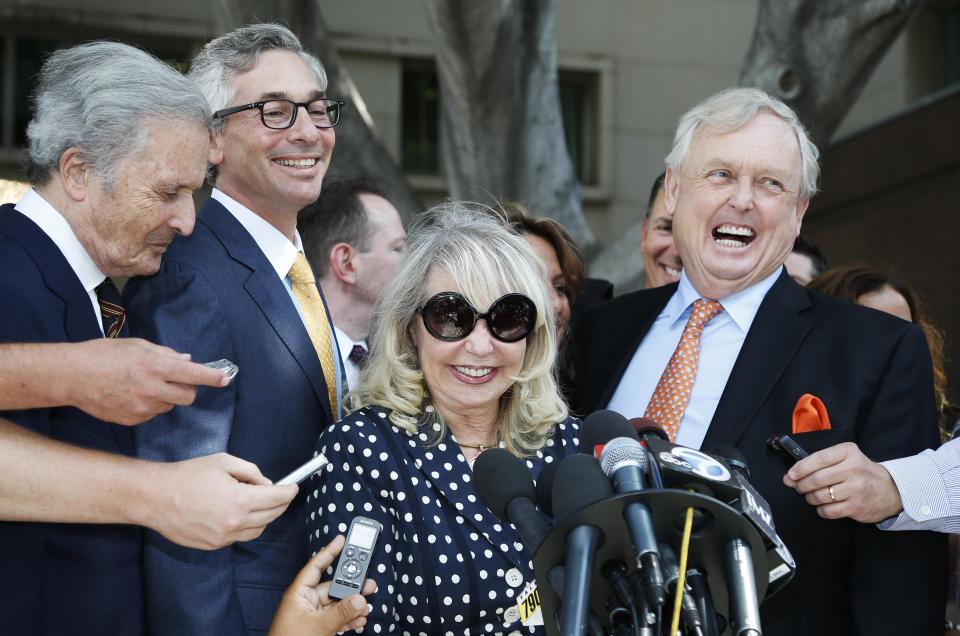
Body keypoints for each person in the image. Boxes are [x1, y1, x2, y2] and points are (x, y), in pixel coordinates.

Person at [572, 87, 945, 633]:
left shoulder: (878, 350)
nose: (742, 200)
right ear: (673, 191)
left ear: (798, 214)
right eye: (720, 174)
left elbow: (901, 579)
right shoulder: (597, 332)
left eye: (770, 184)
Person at [0, 40, 294, 634]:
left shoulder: (89, 287)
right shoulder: (9, 268)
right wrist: (161, 495)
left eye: (195, 193)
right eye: (167, 192)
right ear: (79, 172)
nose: (187, 221)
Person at [124, 24, 344, 634]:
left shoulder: (291, 266)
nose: (307, 131)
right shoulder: (189, 277)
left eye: (319, 110)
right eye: (274, 112)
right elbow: (181, 513)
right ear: (212, 138)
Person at [307, 203, 579, 632]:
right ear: (410, 328)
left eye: (507, 319)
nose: (480, 345)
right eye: (451, 318)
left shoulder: (568, 444)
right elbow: (355, 622)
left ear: (534, 332)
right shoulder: (361, 450)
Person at [299, 177, 406, 392]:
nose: (412, 261)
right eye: (398, 248)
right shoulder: (293, 363)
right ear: (346, 263)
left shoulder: (392, 360)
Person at [640, 172, 683, 288]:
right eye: (666, 228)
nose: (677, 252)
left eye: (693, 234)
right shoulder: (611, 306)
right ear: (644, 233)